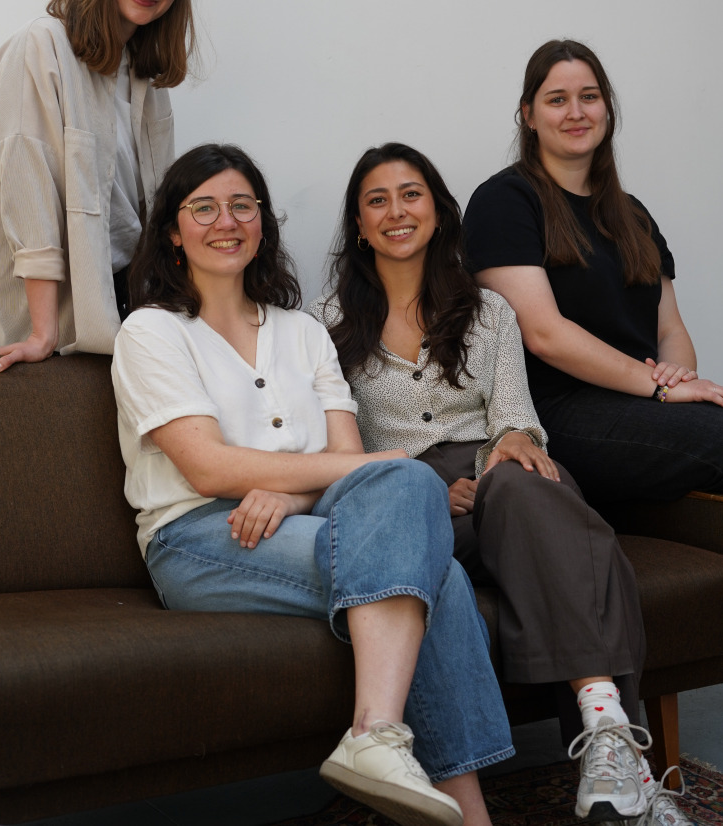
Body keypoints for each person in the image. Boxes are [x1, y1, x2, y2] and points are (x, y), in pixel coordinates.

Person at [111, 143, 514, 826]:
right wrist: (371, 467)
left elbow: (346, 461)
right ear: (173, 232)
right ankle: (416, 774)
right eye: (203, 208)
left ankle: (382, 745)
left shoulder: (303, 331)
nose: (226, 221)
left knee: (415, 519)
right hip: (199, 538)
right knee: (425, 541)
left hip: (307, 520)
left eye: (242, 205)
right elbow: (209, 468)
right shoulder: (151, 332)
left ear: (262, 222)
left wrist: (295, 494)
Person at [309, 141, 691, 826]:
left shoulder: (487, 310)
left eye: (411, 194)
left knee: (521, 479)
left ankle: (605, 732)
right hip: (401, 497)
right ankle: (625, 759)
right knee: (568, 527)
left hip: (499, 476)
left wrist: (503, 453)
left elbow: (515, 416)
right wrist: (424, 489)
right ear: (359, 226)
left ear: (438, 210)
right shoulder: (325, 324)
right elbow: (336, 447)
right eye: (377, 200)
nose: (397, 211)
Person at [462, 39, 723, 506]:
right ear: (528, 115)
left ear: (607, 108)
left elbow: (670, 329)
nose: (576, 112)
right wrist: (661, 389)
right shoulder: (505, 202)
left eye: (589, 96)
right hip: (557, 415)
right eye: (557, 100)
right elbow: (544, 334)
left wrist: (678, 378)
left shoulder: (633, 214)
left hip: (640, 404)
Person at [0, 0, 197, 369]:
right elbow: (28, 195)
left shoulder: (145, 74)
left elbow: (151, 205)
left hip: (125, 300)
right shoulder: (40, 47)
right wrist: (42, 332)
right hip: (50, 316)